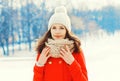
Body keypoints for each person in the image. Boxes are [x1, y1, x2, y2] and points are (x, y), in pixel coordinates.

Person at [33, 6, 88, 81]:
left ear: (67, 30)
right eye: (54, 28)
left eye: (61, 28)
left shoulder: (76, 51)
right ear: (50, 30)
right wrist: (39, 65)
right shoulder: (44, 51)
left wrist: (72, 63)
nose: (57, 31)